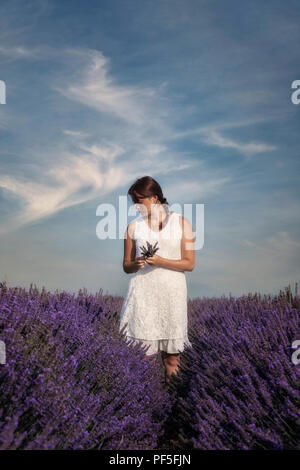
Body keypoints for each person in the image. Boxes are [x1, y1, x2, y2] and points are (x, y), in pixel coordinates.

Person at [119, 176, 195, 384]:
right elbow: (127, 266)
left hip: (172, 294)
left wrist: (160, 260)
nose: (136, 207)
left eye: (139, 201)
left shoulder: (182, 223)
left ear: (154, 198)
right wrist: (139, 262)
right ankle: (147, 407)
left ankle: (173, 402)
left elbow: (189, 263)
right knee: (144, 358)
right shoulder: (133, 228)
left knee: (172, 358)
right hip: (144, 294)